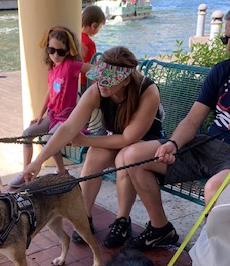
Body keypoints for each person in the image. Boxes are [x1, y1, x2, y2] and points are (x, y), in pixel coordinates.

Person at [118, 1, 230, 251]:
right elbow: (192, 120)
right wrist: (173, 144)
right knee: (132, 156)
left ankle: (214, 255)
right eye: (225, 39)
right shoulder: (222, 71)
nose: (229, 45)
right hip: (208, 147)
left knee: (214, 188)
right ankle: (160, 228)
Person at [17, 46, 164, 247]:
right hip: (117, 141)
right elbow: (68, 128)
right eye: (99, 77)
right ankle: (83, 217)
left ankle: (122, 220)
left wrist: (84, 140)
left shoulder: (147, 91)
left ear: (126, 80)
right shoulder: (97, 91)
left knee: (124, 156)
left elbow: (128, 138)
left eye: (108, 80)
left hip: (146, 144)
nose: (100, 83)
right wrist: (37, 162)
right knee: (94, 155)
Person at [9, 26, 93, 188]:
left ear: (68, 51)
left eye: (60, 52)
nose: (55, 55)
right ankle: (26, 172)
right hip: (53, 116)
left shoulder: (71, 66)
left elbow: (92, 70)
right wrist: (40, 115)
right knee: (27, 133)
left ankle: (59, 171)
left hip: (67, 118)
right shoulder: (53, 69)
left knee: (49, 140)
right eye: (51, 50)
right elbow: (49, 93)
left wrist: (109, 75)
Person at [81, 5, 106, 93]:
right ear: (94, 25)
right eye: (100, 27)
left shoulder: (76, 38)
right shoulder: (89, 43)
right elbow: (92, 66)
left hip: (76, 80)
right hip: (85, 83)